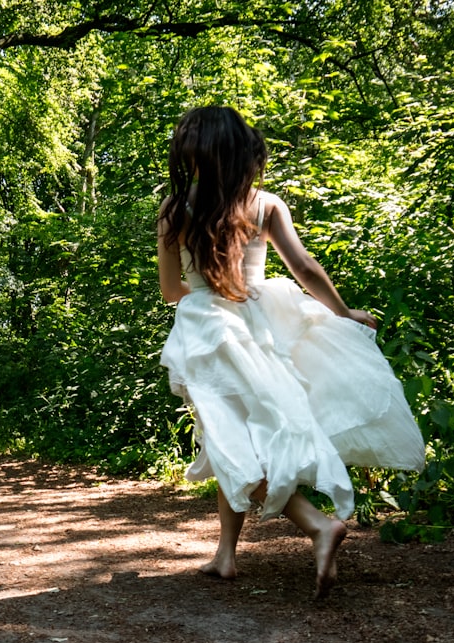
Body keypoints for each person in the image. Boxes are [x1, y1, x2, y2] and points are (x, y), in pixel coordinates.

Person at [156, 106, 425, 598]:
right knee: (236, 435)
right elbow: (304, 267)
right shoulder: (266, 205)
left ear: (190, 157)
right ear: (242, 152)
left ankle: (318, 525)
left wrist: (205, 283)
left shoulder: (175, 211)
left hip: (208, 331)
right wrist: (344, 313)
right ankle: (225, 555)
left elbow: (172, 291)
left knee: (229, 439)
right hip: (264, 322)